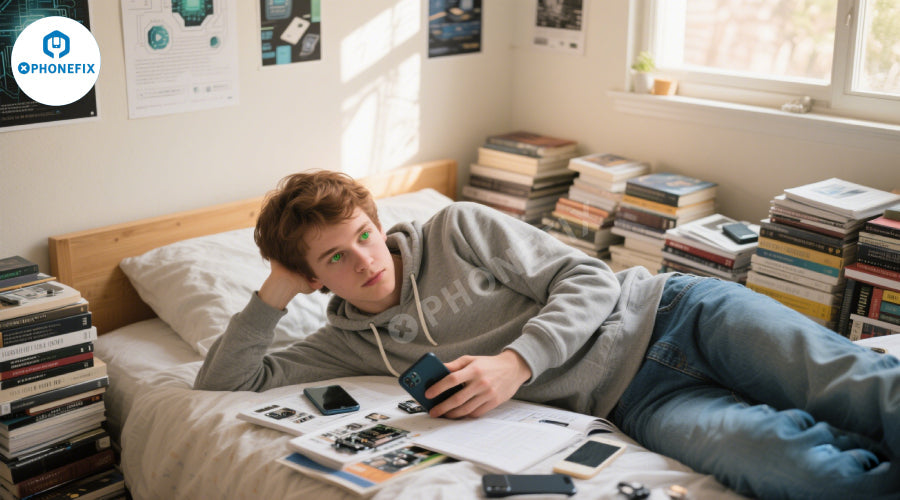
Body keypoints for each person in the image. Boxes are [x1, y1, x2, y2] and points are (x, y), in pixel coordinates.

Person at [194, 170, 900, 499]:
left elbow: (588, 278)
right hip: (635, 403)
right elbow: (228, 380)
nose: (366, 259)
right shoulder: (347, 342)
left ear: (378, 220)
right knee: (801, 473)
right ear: (312, 276)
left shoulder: (454, 228)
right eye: (335, 258)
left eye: (364, 236)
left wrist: (515, 365)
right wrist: (277, 287)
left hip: (678, 311)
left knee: (863, 388)